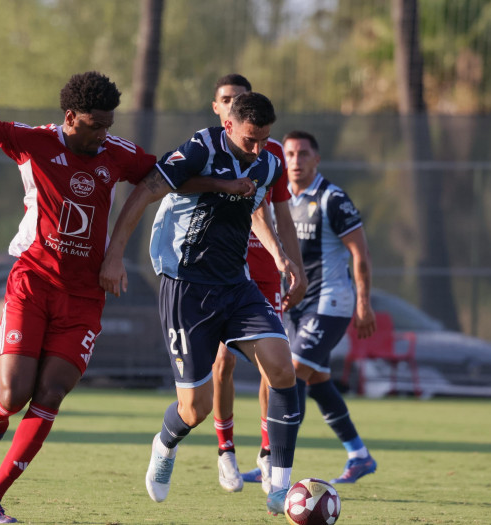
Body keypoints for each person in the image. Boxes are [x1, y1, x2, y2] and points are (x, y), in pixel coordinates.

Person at [0, 54, 250, 524]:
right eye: (94, 125)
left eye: (108, 125)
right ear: (70, 118)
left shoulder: (116, 152)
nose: (103, 134)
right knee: (15, 391)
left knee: (53, 391)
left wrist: (222, 184)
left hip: (84, 296)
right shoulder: (34, 143)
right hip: (34, 283)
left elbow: (163, 178)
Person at [100, 91, 308, 517]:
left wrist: (278, 254)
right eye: (250, 139)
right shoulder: (202, 147)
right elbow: (146, 190)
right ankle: (164, 443)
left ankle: (279, 488)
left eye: (264, 139)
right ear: (228, 125)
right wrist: (115, 254)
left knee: (283, 368)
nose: (257, 150)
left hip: (236, 284)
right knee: (195, 409)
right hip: (186, 286)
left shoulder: (267, 161)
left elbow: (253, 209)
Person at [247, 130, 379, 485]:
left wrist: (364, 305)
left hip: (330, 304)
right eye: (289, 153)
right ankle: (359, 454)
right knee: (317, 379)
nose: (295, 161)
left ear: (316, 160)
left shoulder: (332, 199)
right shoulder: (279, 199)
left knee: (288, 375)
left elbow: (360, 254)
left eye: (303, 154)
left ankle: (273, 462)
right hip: (294, 307)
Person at [204, 74, 298, 494]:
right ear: (218, 109)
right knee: (222, 363)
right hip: (224, 268)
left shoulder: (270, 154)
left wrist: (292, 262)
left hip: (262, 267)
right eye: (226, 99)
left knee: (272, 361)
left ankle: (266, 450)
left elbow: (278, 213)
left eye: (239, 99)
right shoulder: (205, 150)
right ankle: (226, 450)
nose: (232, 104)